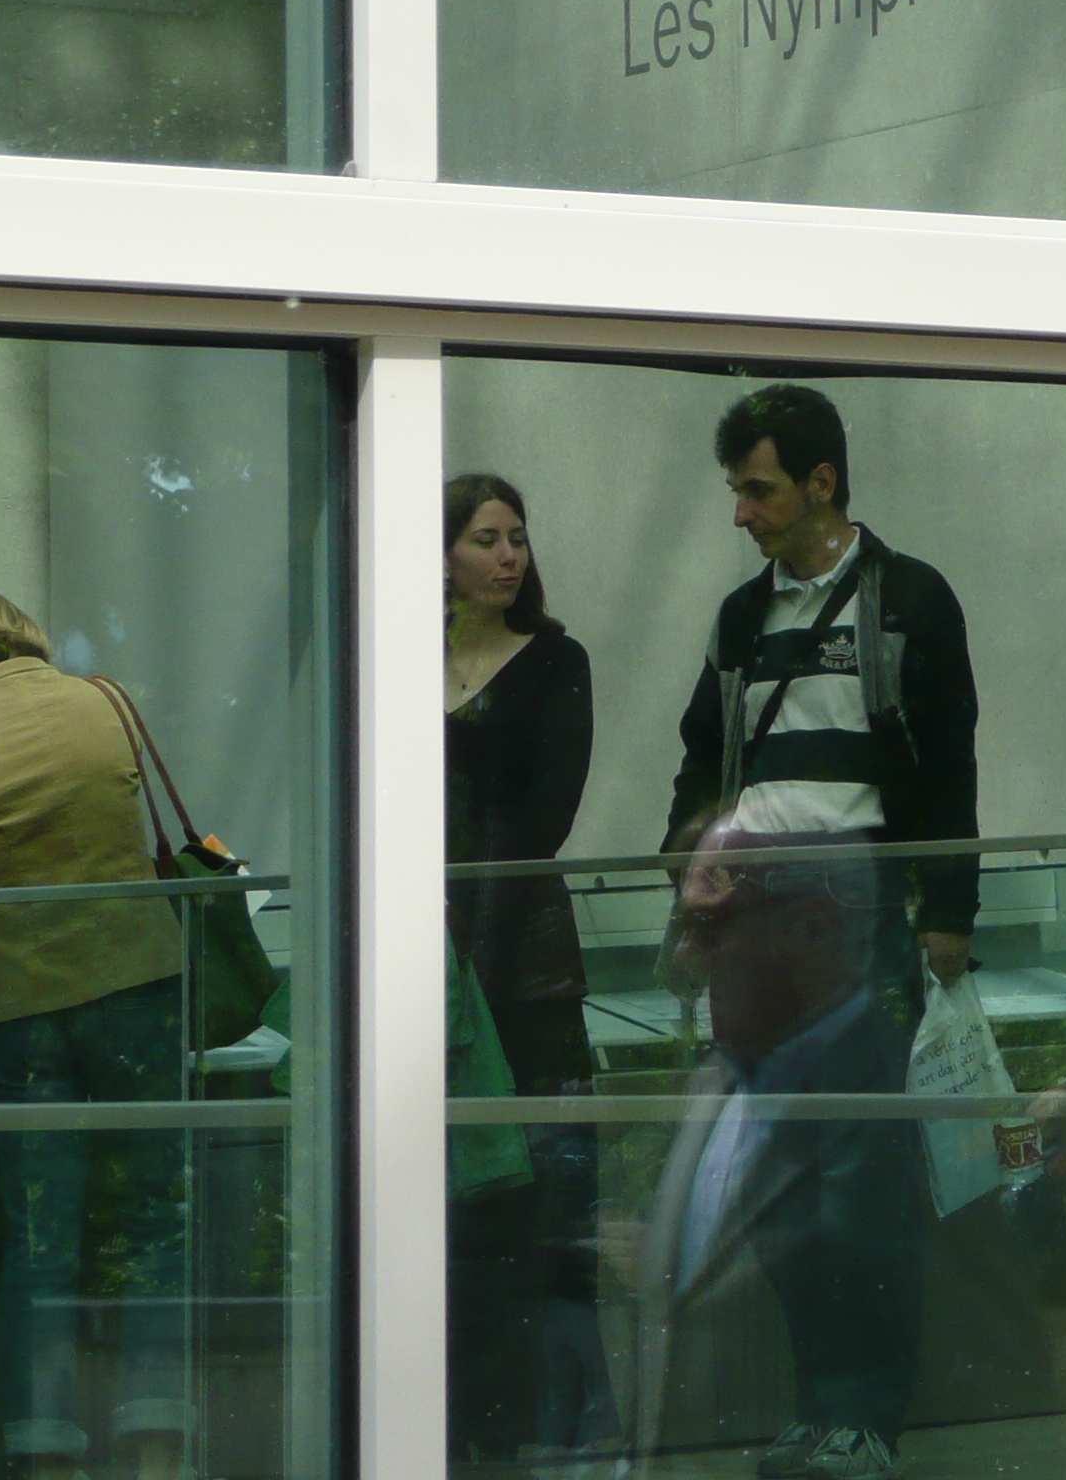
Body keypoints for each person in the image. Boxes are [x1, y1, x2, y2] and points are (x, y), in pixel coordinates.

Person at [657, 385, 980, 1480]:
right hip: (756, 924)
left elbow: (950, 767)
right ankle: (815, 1411)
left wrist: (947, 917)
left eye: (757, 489)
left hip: (863, 915)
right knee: (781, 1178)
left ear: (822, 483)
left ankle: (865, 1421)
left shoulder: (911, 602)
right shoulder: (743, 620)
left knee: (860, 1182)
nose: (741, 514)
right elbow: (702, 757)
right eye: (738, 491)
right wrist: (686, 867)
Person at [0, 588, 190, 1480]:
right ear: (16, 633)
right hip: (138, 983)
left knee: (40, 1240)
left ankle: (45, 1455)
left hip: (21, 1006)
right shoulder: (104, 702)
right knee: (151, 1219)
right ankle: (157, 1449)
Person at [443, 473, 624, 1465]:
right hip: (431, 980)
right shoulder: (401, 663)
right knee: (456, 1231)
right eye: (485, 538)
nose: (508, 556)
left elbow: (540, 818)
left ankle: (571, 1446)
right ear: (440, 557)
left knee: (554, 1225)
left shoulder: (555, 661)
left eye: (518, 537)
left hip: (525, 973)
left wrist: (456, 915)